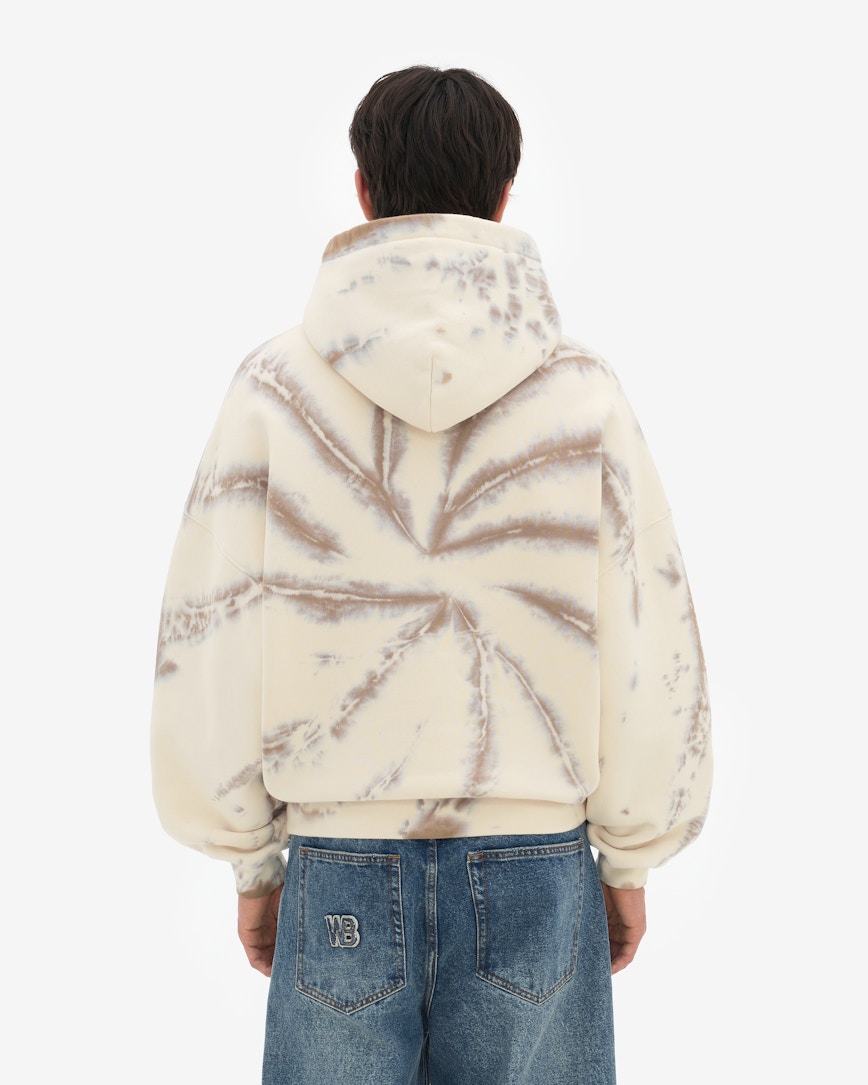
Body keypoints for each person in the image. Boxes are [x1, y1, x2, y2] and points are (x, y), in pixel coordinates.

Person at [151, 65, 712, 1085]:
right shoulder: (581, 392)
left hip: (338, 860)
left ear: (363, 190)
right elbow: (647, 635)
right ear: (504, 197)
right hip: (537, 861)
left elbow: (213, 631)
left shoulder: (275, 389)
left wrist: (252, 859)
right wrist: (631, 855)